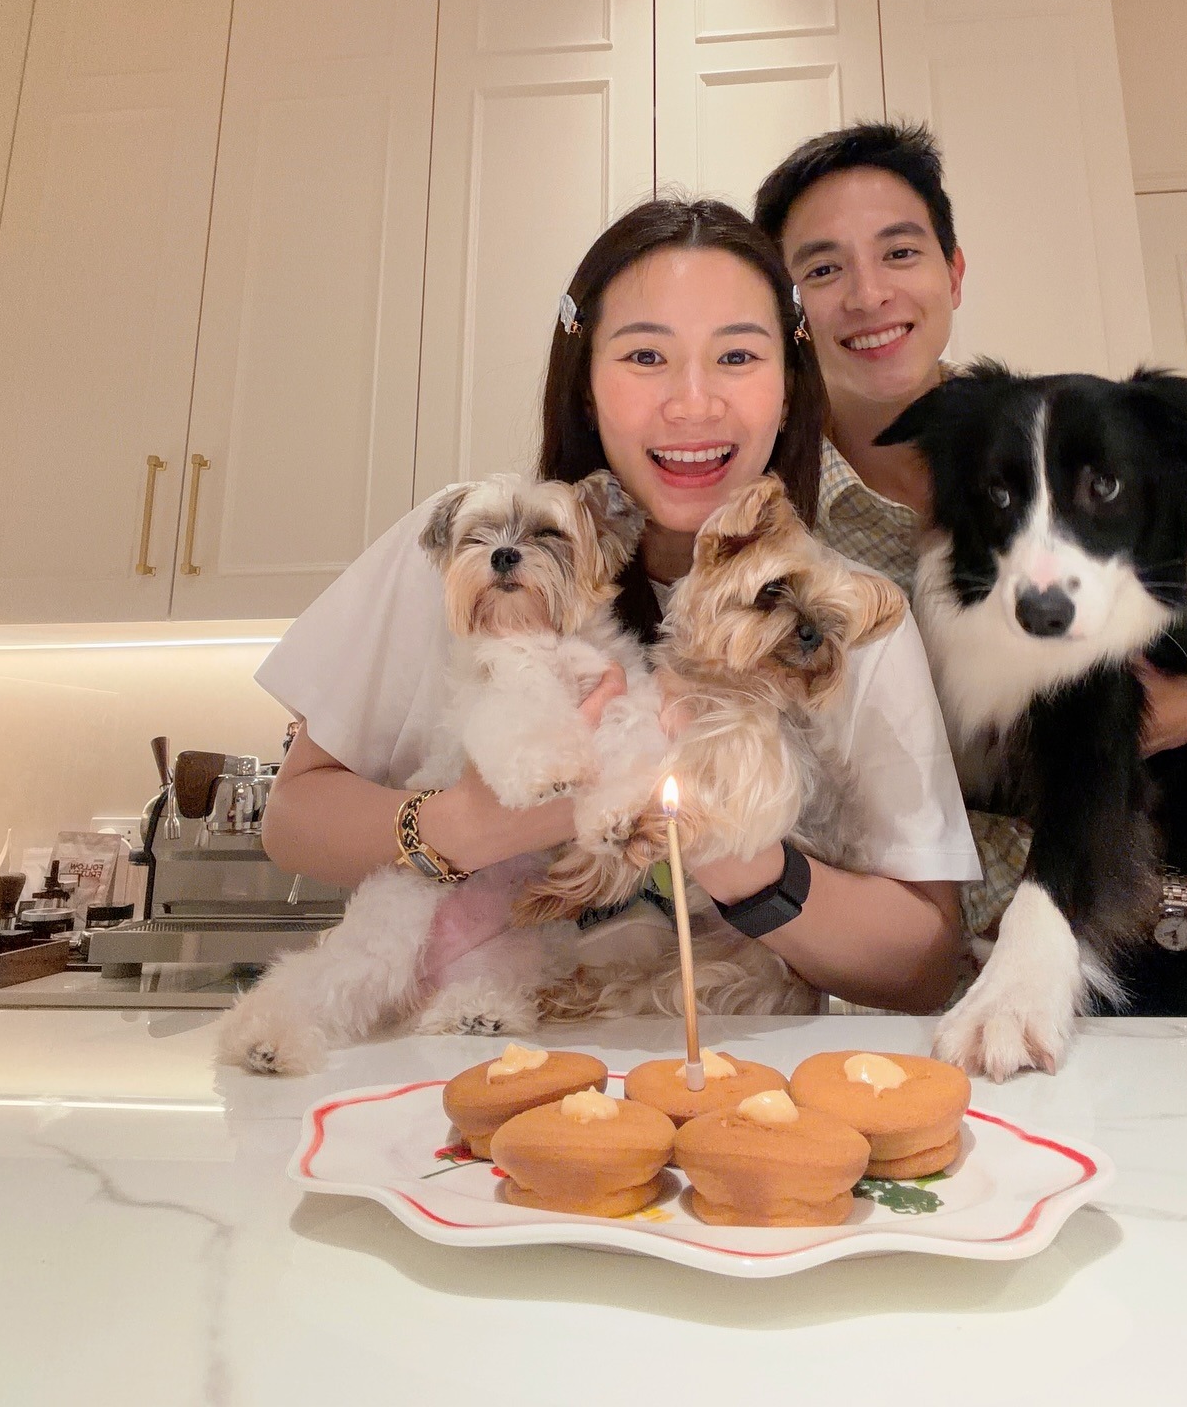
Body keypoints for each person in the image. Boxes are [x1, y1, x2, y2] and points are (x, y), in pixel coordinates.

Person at [258, 198, 980, 1015]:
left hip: (728, 1074)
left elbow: (922, 964)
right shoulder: (471, 555)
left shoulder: (836, 614)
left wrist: (739, 856)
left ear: (788, 386)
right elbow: (294, 819)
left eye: (737, 356)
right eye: (645, 356)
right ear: (586, 385)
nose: (693, 403)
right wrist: (466, 824)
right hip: (466, 1065)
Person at [754, 121, 1187, 1006]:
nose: (868, 294)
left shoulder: (1083, 430)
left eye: (900, 252)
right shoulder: (775, 533)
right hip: (980, 973)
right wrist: (1180, 903)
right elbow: (839, 828)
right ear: (790, 310)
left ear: (953, 273)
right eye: (822, 269)